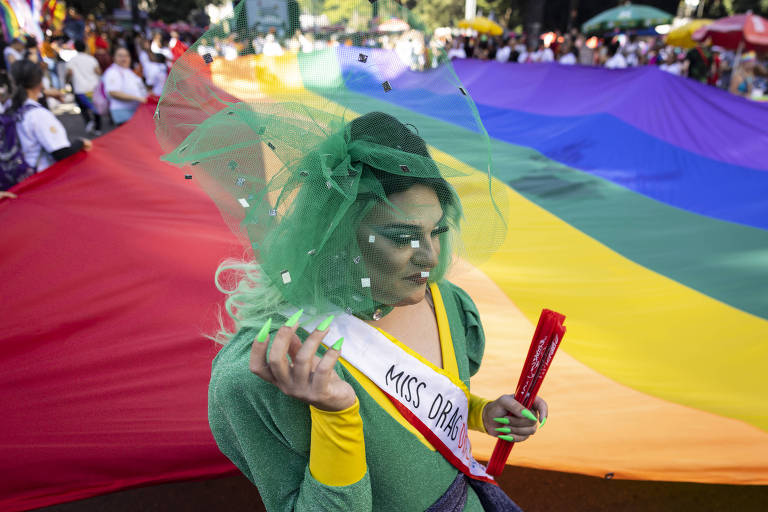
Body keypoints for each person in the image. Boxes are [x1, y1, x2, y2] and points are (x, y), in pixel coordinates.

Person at [157, 2, 550, 508]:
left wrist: (482, 413)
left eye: (438, 230)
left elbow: (432, 418)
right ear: (337, 234)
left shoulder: (447, 303)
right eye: (402, 235)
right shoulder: (266, 371)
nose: (430, 257)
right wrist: (336, 415)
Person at [2, 60, 91, 194]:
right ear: (40, 83)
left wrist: (45, 94)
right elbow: (61, 153)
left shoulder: (8, 107)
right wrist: (81, 143)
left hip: (15, 177)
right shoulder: (38, 115)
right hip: (41, 180)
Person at [102, 46, 146, 125]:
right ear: (114, 58)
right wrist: (138, 98)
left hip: (134, 111)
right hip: (123, 113)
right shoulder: (113, 72)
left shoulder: (127, 70)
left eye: (126, 56)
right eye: (120, 56)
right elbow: (113, 92)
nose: (124, 58)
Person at [66, 40, 102, 135]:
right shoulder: (91, 59)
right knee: (96, 107)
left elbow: (69, 73)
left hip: (80, 88)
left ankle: (89, 122)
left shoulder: (72, 60)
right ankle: (97, 128)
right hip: (93, 87)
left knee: (83, 108)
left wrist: (67, 81)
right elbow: (98, 71)